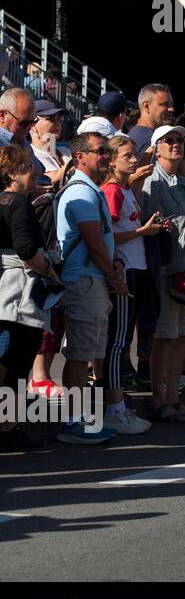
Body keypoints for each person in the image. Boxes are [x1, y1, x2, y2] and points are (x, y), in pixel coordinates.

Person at [55, 132, 127, 444]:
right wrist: (113, 274)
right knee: (79, 355)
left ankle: (81, 417)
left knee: (86, 355)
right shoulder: (81, 193)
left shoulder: (89, 191)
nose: (107, 157)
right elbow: (94, 243)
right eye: (100, 151)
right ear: (80, 155)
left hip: (92, 281)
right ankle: (72, 422)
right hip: (84, 281)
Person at [100, 135, 166, 435]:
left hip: (136, 268)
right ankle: (114, 407)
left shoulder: (125, 189)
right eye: (126, 155)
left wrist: (147, 228)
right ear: (112, 160)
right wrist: (143, 230)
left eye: (133, 154)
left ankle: (116, 401)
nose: (133, 159)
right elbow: (108, 235)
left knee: (123, 339)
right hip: (123, 270)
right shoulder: (112, 190)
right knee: (118, 342)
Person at [138, 123, 185, 423]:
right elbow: (150, 225)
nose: (176, 144)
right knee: (164, 336)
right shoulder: (152, 180)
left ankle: (173, 396)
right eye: (169, 140)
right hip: (166, 267)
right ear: (156, 147)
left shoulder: (182, 181)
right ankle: (158, 398)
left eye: (180, 139)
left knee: (182, 337)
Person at [0, 145, 60, 451]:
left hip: (5, 294)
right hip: (18, 296)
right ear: (11, 174)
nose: (32, 169)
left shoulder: (4, 201)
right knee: (16, 363)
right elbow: (25, 249)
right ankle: (8, 429)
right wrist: (49, 270)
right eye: (25, 166)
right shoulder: (19, 203)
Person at [127, 84, 175, 154]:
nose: (172, 109)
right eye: (165, 104)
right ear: (146, 106)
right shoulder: (150, 141)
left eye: (171, 105)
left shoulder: (134, 135)